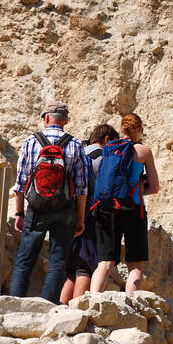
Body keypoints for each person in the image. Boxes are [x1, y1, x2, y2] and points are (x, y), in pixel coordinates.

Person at [9, 102, 89, 301]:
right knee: (58, 261)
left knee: (25, 259)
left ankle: (13, 303)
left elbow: (20, 183)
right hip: (65, 209)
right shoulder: (75, 144)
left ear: (46, 119)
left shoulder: (30, 141)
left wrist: (19, 213)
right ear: (66, 121)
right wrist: (81, 218)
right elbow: (81, 188)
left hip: (36, 208)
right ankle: (46, 306)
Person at [89, 113, 161, 295]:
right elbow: (154, 187)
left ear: (122, 129)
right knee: (135, 265)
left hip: (106, 208)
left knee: (105, 262)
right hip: (133, 210)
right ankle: (133, 304)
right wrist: (137, 189)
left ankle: (92, 301)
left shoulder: (109, 148)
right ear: (140, 130)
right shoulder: (144, 151)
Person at [60, 123, 116, 303]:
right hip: (90, 216)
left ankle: (60, 308)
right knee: (86, 266)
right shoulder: (102, 159)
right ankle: (77, 311)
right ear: (106, 139)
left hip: (66, 213)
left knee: (72, 269)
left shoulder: (77, 154)